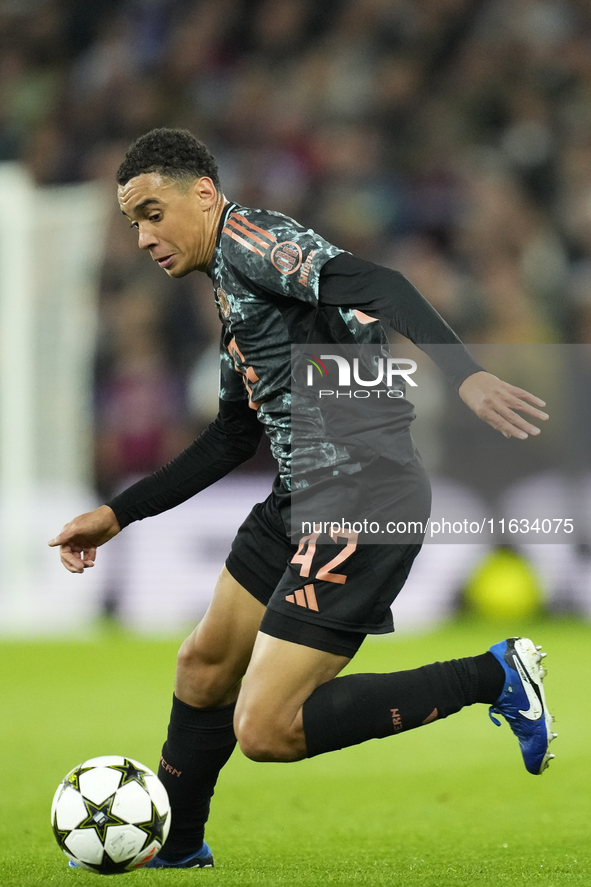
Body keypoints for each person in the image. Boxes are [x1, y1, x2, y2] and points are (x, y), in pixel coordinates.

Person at [49, 128, 555, 871]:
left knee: (267, 728)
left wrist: (465, 373)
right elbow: (229, 436)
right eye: (133, 222)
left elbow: (379, 283)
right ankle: (178, 844)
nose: (143, 237)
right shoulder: (231, 286)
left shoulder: (252, 238)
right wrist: (120, 512)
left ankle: (495, 673)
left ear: (203, 194)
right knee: (203, 664)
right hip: (301, 496)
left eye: (152, 212)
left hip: (360, 493)